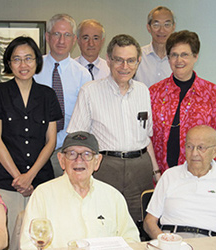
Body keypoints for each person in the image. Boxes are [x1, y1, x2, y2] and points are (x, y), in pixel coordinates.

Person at [67, 34, 160, 223]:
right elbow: (77, 138)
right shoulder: (90, 91)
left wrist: (156, 173)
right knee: (102, 221)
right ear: (109, 60)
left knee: (137, 225)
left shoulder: (143, 91)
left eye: (130, 60)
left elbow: (146, 137)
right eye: (119, 60)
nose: (124, 67)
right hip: (105, 167)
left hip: (140, 168)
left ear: (138, 61)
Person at [0, 36, 62, 245]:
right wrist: (20, 177)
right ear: (9, 63)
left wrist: (31, 176)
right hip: (6, 182)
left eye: (28, 58)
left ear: (37, 61)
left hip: (41, 182)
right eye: (16, 59)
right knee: (7, 240)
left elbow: (51, 141)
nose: (23, 64)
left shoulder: (48, 95)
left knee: (41, 241)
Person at [20, 131, 140, 249]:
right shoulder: (42, 195)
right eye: (72, 154)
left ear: (97, 162)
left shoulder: (113, 196)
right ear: (61, 160)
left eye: (87, 154)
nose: (79, 160)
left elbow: (132, 241)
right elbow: (29, 244)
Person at [149, 30, 216, 174]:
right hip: (160, 175)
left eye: (184, 54)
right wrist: (155, 172)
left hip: (201, 176)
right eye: (174, 55)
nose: (179, 60)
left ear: (195, 56)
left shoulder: (212, 94)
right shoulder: (154, 93)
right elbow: (146, 136)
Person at [34, 13, 92, 177]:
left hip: (69, 150)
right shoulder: (34, 69)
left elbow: (85, 117)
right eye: (56, 34)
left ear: (74, 40)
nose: (61, 41)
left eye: (67, 35)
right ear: (47, 36)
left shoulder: (83, 75)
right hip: (37, 148)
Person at [144, 125, 216, 239]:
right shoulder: (170, 176)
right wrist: (165, 242)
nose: (194, 153)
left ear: (214, 152)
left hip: (210, 241)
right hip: (172, 238)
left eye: (201, 147)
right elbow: (149, 222)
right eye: (189, 147)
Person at [134, 6, 175, 88]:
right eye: (156, 25)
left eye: (167, 25)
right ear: (149, 28)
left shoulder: (178, 59)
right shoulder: (137, 55)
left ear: (173, 27)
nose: (162, 30)